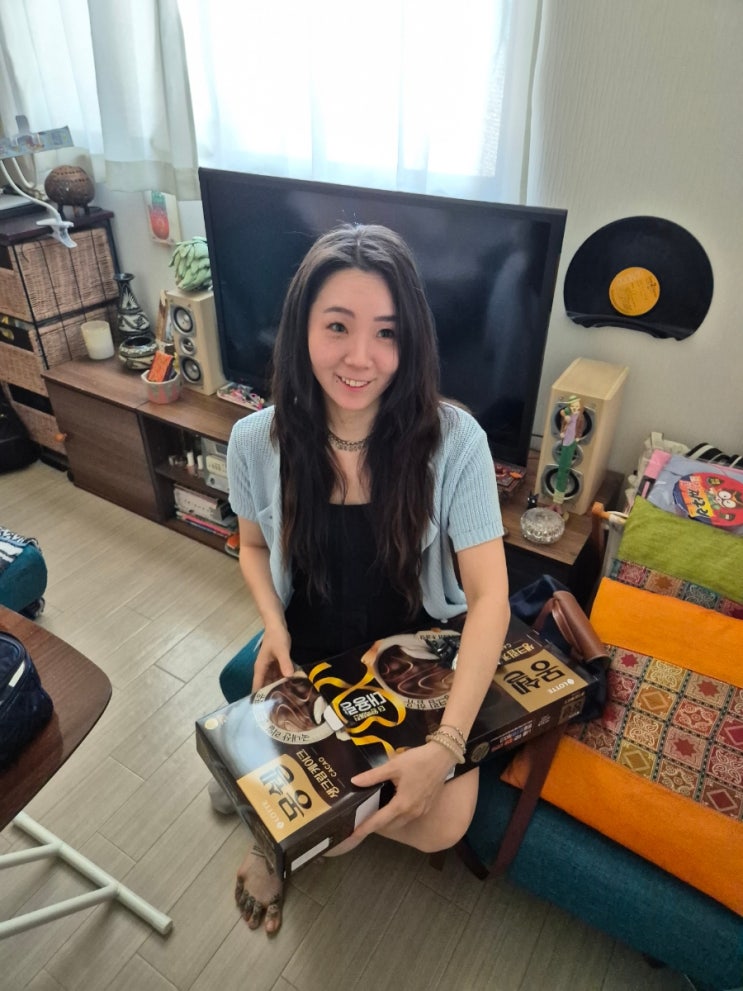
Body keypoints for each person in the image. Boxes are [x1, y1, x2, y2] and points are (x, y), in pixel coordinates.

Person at [219, 223, 510, 934]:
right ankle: (278, 836)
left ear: (411, 342)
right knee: (285, 761)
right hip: (312, 650)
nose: (359, 357)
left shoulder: (457, 442)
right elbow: (251, 546)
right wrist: (273, 625)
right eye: (337, 326)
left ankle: (303, 825)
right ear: (301, 329)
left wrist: (445, 747)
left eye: (385, 333)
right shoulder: (254, 440)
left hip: (413, 659)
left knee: (442, 820)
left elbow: (490, 599)